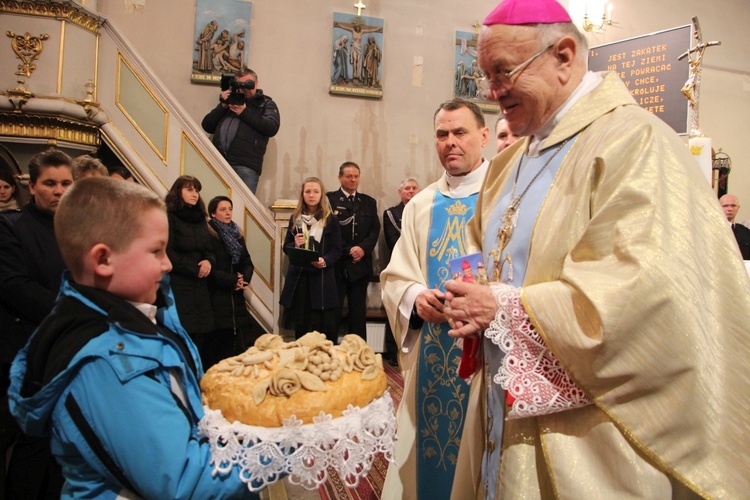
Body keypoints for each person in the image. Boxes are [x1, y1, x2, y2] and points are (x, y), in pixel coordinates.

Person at [442, 0, 750, 498]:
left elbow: (645, 297)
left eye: (503, 73)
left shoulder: (636, 143)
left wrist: (502, 307)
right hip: (502, 412)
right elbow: (490, 260)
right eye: (485, 77)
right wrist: (467, 297)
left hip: (588, 440)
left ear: (564, 56)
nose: (493, 92)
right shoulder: (509, 162)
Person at [7, 177, 260, 498]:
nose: (167, 263)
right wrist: (286, 445)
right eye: (156, 251)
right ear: (103, 260)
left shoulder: (138, 314)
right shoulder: (105, 363)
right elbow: (181, 482)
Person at [380, 97, 489, 499]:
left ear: (483, 136)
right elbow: (395, 276)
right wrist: (414, 297)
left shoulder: (503, 198)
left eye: (460, 132)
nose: (450, 142)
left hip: (485, 356)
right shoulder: (421, 204)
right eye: (442, 134)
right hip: (431, 353)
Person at [0, 148, 74, 498]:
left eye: (65, 183)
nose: (59, 191)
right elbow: (15, 286)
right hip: (22, 352)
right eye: (50, 183)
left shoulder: (77, 232)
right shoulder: (11, 226)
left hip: (66, 353)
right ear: (31, 186)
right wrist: (79, 311)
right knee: (25, 447)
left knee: (57, 448)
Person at [202, 67, 280, 195]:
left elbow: (271, 127)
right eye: (241, 85)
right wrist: (222, 106)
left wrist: (244, 112)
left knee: (244, 207)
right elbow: (207, 125)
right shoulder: (230, 102)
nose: (245, 89)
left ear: (256, 84)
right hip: (219, 162)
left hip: (246, 165)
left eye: (248, 84)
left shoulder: (265, 103)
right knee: (217, 204)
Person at [280, 177, 342, 339]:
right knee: (301, 330)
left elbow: (336, 250)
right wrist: (294, 244)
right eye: (308, 191)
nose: (311, 195)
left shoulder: (330, 219)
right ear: (303, 194)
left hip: (320, 278)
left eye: (316, 191)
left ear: (321, 195)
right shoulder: (295, 218)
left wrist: (324, 260)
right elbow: (286, 246)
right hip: (300, 279)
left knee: (322, 331)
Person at [327, 162, 380, 338]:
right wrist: (349, 250)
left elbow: (374, 230)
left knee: (358, 313)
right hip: (338, 264)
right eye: (349, 176)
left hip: (360, 265)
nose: (353, 179)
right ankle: (330, 351)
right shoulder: (330, 199)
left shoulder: (368, 202)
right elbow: (328, 231)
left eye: (356, 176)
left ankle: (358, 353)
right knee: (332, 312)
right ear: (340, 177)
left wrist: (363, 249)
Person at [165, 176, 215, 359]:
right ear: (178, 192)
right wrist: (194, 268)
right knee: (182, 334)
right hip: (179, 283)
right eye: (189, 190)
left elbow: (209, 250)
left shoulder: (200, 218)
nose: (195, 194)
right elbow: (167, 251)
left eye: (196, 190)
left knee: (201, 334)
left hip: (200, 285)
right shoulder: (170, 217)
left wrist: (209, 262)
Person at [205, 195, 256, 368]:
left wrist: (244, 279)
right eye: (223, 209)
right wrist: (232, 280)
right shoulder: (209, 234)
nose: (228, 213)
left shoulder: (237, 234)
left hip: (236, 296)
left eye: (230, 209)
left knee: (235, 348)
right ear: (213, 213)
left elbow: (247, 262)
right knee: (216, 347)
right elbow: (211, 268)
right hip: (217, 295)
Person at [382, 177, 420, 365]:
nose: (411, 191)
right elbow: (392, 241)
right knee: (397, 309)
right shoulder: (391, 214)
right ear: (400, 192)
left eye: (414, 188)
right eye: (407, 188)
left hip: (420, 269)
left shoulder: (424, 212)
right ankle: (392, 352)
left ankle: (415, 352)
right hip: (399, 267)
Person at [720, 193, 750, 259]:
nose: (730, 209)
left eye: (733, 206)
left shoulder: (746, 232)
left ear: (738, 208)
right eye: (725, 206)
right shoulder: (712, 231)